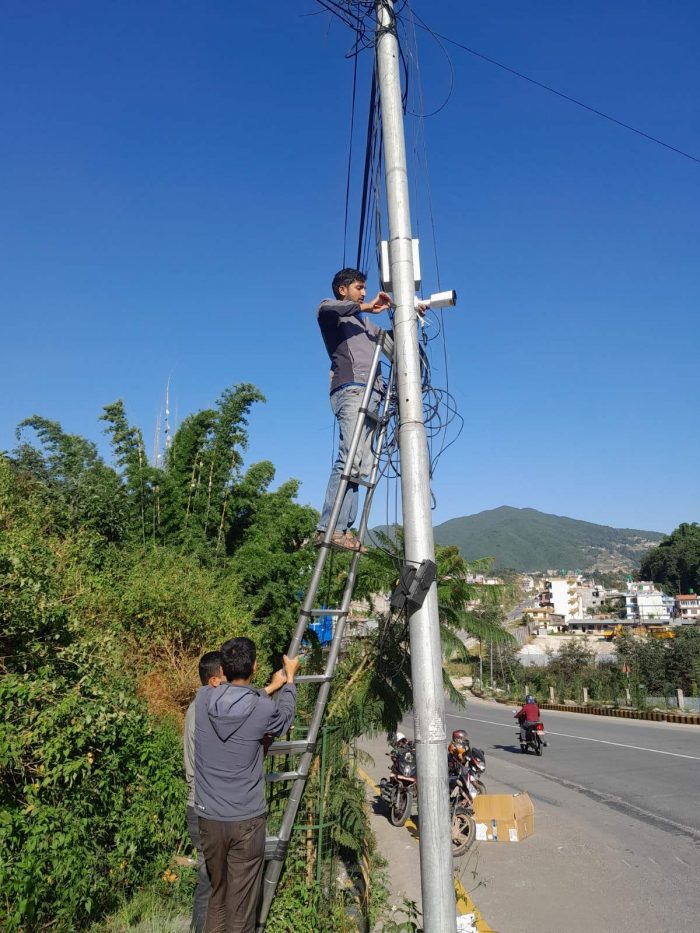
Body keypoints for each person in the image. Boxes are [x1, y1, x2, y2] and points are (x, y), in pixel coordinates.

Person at [194, 637, 300, 933]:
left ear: (223, 670)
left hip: (209, 817)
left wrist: (269, 687)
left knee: (219, 896)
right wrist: (289, 680)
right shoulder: (262, 708)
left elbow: (239, 699)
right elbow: (284, 717)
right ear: (254, 667)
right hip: (245, 821)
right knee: (240, 907)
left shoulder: (202, 699)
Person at [314, 268, 393, 552]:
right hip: (351, 388)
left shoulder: (365, 325)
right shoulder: (330, 311)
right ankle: (327, 527)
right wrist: (366, 305)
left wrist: (408, 310)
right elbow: (327, 309)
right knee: (348, 458)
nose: (363, 292)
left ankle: (343, 529)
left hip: (374, 393)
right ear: (342, 289)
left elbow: (390, 340)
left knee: (360, 465)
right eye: (359, 287)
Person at [184, 652, 225, 933]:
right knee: (209, 883)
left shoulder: (200, 707)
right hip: (205, 809)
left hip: (201, 806)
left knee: (212, 882)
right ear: (213, 681)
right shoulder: (206, 712)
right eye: (227, 679)